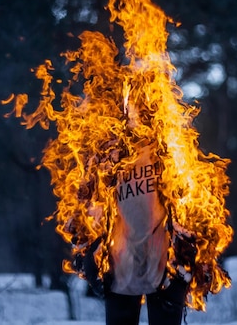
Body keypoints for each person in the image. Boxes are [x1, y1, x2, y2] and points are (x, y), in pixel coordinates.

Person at [76, 136, 193, 325]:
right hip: (121, 273)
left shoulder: (165, 142)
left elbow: (188, 199)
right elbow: (89, 210)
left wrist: (190, 258)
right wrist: (89, 259)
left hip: (165, 271)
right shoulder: (107, 150)